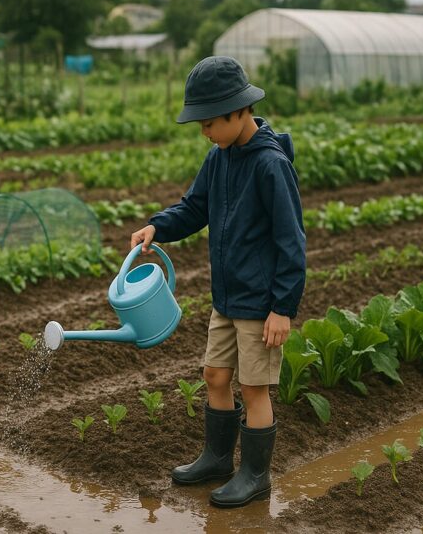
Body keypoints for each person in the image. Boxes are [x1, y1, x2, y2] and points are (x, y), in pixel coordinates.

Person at [130, 56, 306, 508]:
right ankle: (217, 457)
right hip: (226, 298)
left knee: (254, 387)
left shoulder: (270, 165)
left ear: (238, 111)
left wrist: (283, 307)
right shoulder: (219, 158)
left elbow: (291, 242)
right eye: (201, 124)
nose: (205, 132)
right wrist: (158, 226)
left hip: (260, 303)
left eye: (209, 122)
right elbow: (194, 208)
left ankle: (255, 473)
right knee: (214, 375)